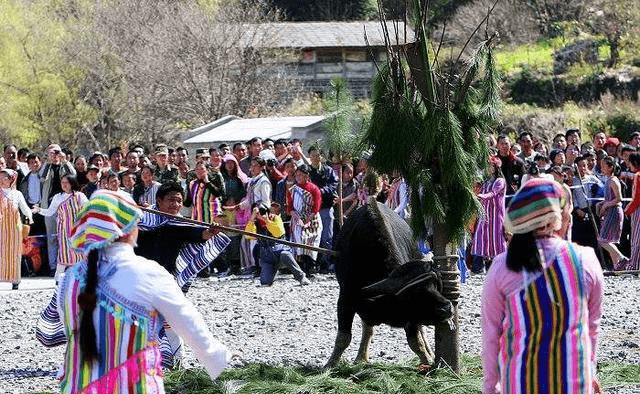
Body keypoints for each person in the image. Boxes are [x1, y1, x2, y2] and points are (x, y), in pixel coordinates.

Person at [36, 190, 231, 392]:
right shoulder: (149, 273)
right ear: (130, 229)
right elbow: (189, 325)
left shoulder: (68, 279)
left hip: (77, 385)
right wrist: (219, 359)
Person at [482, 178, 604, 394]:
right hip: (574, 384)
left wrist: (491, 388)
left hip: (520, 384)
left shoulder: (502, 266)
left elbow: (491, 337)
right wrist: (591, 373)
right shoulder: (586, 260)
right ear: (555, 217)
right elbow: (591, 329)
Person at [135, 182, 231, 367]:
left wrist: (210, 231)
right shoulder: (141, 220)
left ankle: (176, 362)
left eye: (179, 201)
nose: (176, 205)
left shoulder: (179, 224)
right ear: (159, 200)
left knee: (170, 321)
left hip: (165, 281)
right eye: (171, 200)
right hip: (140, 281)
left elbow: (198, 234)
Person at [33, 175, 89, 278]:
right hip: (64, 231)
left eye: (66, 182)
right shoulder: (58, 197)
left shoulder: (80, 196)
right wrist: (39, 210)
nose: (64, 185)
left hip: (78, 231)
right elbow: (50, 212)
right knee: (64, 254)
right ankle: (58, 279)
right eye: (62, 182)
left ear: (72, 183)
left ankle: (82, 278)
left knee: (80, 255)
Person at [245, 202, 310, 286]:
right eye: (257, 213)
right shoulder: (254, 223)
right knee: (265, 282)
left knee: (285, 255)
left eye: (262, 211)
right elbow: (248, 236)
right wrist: (252, 218)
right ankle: (273, 272)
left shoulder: (275, 218)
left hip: (280, 252)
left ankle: (301, 277)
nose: (260, 214)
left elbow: (278, 233)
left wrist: (266, 220)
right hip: (267, 257)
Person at [40, 144, 76, 274]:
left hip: (65, 206)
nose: (54, 155)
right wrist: (48, 162)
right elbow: (42, 178)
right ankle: (53, 266)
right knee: (52, 237)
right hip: (49, 206)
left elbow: (73, 175)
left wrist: (64, 160)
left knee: (67, 236)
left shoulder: (64, 167)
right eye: (52, 153)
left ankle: (68, 263)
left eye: (56, 152)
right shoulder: (46, 167)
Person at [470, 155, 507, 274]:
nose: (488, 168)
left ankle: (499, 267)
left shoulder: (499, 181)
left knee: (496, 240)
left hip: (496, 216)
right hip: (485, 216)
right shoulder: (485, 182)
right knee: (481, 238)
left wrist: (479, 196)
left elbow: (493, 193)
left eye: (490, 166)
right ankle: (478, 268)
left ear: (496, 168)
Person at [287, 164, 322, 275]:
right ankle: (301, 267)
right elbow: (289, 206)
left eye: (300, 175)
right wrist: (294, 215)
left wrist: (309, 218)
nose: (298, 177)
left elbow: (316, 206)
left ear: (307, 176)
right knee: (298, 240)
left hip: (311, 219)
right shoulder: (293, 189)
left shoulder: (314, 189)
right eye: (296, 175)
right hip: (297, 219)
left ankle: (311, 266)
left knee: (310, 242)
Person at [0, 168, 33, 290]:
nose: (2, 180)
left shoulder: (17, 194)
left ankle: (15, 280)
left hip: (15, 228)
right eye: (1, 177)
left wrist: (30, 216)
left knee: (15, 253)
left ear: (11, 179)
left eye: (5, 177)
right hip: (1, 228)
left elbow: (25, 208)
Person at [595, 156, 627, 270]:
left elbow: (619, 198)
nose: (602, 168)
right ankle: (616, 265)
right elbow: (610, 197)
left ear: (610, 167)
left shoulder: (613, 180)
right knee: (608, 239)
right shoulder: (608, 180)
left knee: (603, 240)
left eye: (604, 166)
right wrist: (602, 203)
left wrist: (606, 205)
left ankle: (621, 257)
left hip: (614, 211)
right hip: (609, 211)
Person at [624, 152, 640, 271]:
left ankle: (634, 264)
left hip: (638, 210)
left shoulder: (637, 176)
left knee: (636, 238)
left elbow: (637, 198)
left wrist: (627, 210)